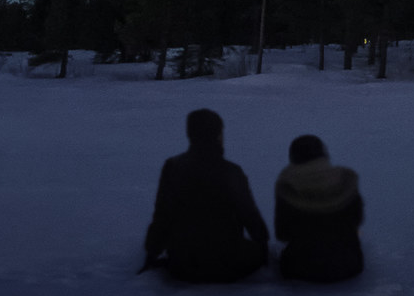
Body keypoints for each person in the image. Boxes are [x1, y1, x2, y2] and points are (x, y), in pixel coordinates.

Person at [140, 107, 269, 282]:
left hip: (183, 265)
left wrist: (152, 252)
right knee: (252, 253)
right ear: (217, 135)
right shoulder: (231, 171)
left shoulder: (173, 167)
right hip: (230, 263)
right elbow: (248, 213)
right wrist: (262, 246)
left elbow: (163, 214)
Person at [272, 133, 365, 284]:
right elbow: (357, 218)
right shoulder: (346, 180)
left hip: (299, 268)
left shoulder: (286, 186)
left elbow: (282, 233)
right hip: (349, 265)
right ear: (323, 154)